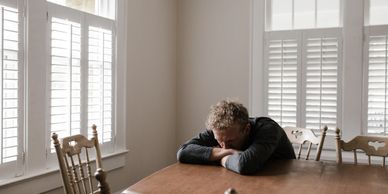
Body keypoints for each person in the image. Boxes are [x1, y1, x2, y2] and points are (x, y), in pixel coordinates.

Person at [177, 99, 296, 175]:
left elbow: (245, 165)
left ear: (247, 129)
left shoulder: (268, 129)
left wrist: (220, 158)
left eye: (231, 141)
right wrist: (222, 153)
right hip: (245, 179)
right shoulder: (220, 130)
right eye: (219, 141)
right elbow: (183, 152)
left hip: (286, 181)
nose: (224, 147)